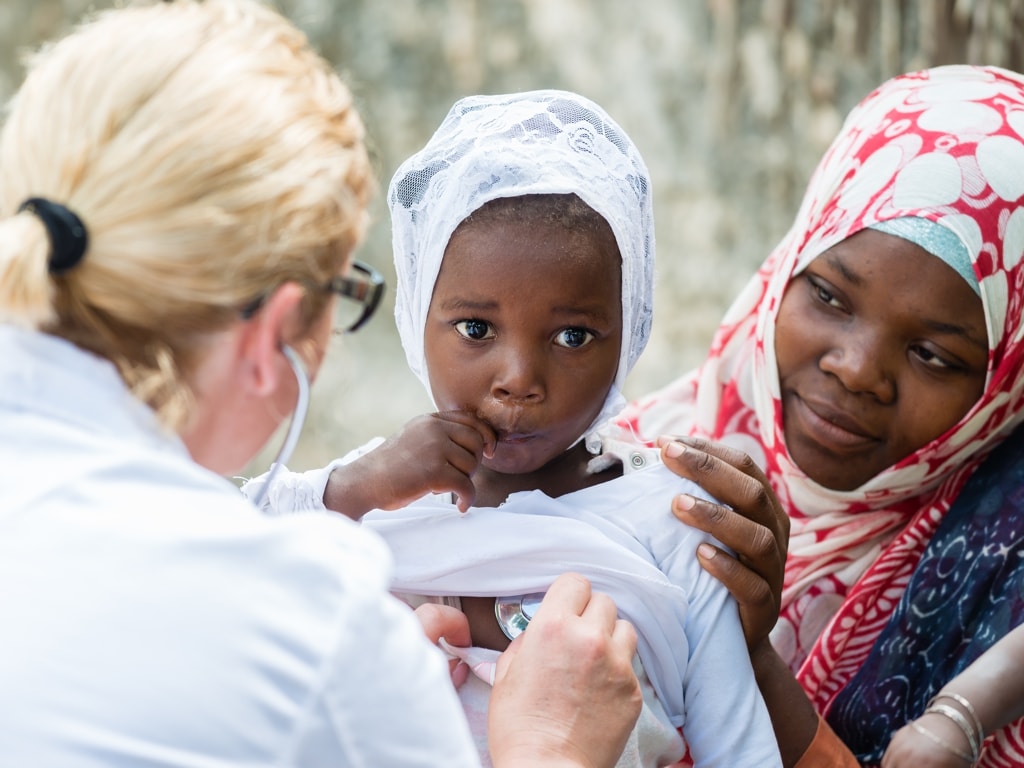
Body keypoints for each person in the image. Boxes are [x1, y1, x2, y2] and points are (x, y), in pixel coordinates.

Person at [0, 2, 645, 766]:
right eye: (346, 294)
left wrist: (340, 494)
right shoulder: (314, 634)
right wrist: (551, 749)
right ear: (275, 334)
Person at [244, 89, 782, 768]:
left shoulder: (670, 520)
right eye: (476, 329)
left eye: (573, 335)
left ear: (631, 330)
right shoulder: (377, 490)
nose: (519, 377)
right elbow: (210, 553)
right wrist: (354, 487)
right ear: (417, 318)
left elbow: (740, 750)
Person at [609, 64, 1024, 765]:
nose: (856, 370)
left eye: (932, 354)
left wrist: (749, 656)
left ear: (1005, 384)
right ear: (786, 268)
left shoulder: (994, 579)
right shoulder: (626, 460)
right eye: (830, 296)